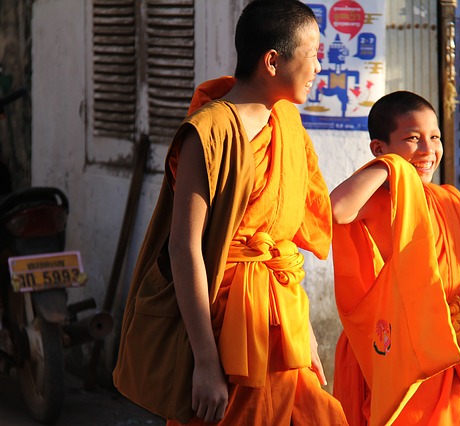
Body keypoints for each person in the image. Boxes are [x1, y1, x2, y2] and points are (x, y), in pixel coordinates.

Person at [113, 0, 349, 425]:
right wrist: (204, 361)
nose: (319, 66)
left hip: (282, 324)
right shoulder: (208, 132)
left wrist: (306, 331)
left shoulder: (288, 125)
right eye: (313, 54)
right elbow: (184, 249)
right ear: (273, 61)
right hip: (226, 331)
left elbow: (284, 249)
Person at [330, 91, 460, 425]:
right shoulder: (382, 200)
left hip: (444, 346)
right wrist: (391, 167)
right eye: (412, 139)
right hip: (393, 348)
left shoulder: (452, 200)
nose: (427, 151)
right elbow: (337, 208)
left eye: (434, 137)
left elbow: (458, 293)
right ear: (379, 148)